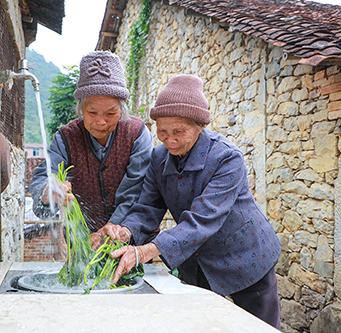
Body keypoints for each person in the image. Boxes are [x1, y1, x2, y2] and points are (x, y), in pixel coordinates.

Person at [95, 74, 282, 329]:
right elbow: (147, 208)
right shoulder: (159, 158)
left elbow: (201, 220)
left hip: (246, 255)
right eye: (162, 131)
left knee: (258, 328)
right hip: (198, 262)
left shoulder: (227, 159)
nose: (169, 140)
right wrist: (126, 231)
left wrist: (143, 252)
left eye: (179, 132)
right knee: (201, 325)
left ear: (199, 127)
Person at [30, 51, 153, 238]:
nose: (100, 122)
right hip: (82, 244)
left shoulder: (137, 134)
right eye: (92, 112)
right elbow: (43, 178)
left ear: (123, 106)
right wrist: (48, 192)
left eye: (110, 113)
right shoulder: (66, 137)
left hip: (130, 240)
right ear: (80, 107)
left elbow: (138, 191)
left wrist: (111, 227)